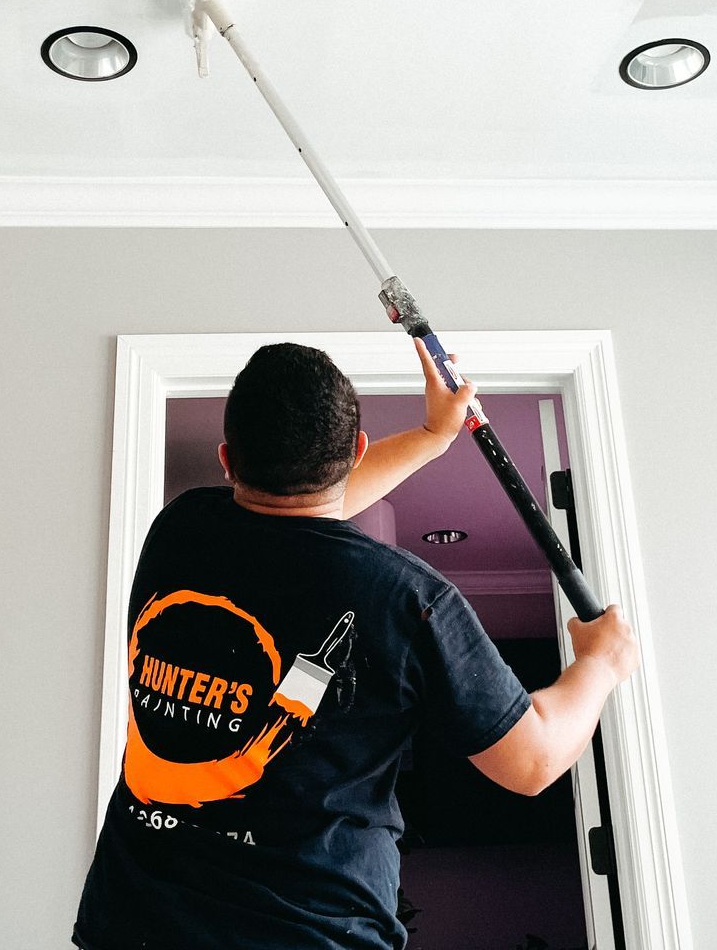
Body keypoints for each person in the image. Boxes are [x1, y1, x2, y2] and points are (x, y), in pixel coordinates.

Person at [74, 338, 641, 950]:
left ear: (227, 459)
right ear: (358, 449)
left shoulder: (181, 530)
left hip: (133, 920)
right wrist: (599, 663)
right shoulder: (409, 601)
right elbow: (532, 762)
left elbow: (304, 510)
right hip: (307, 935)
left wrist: (432, 436)